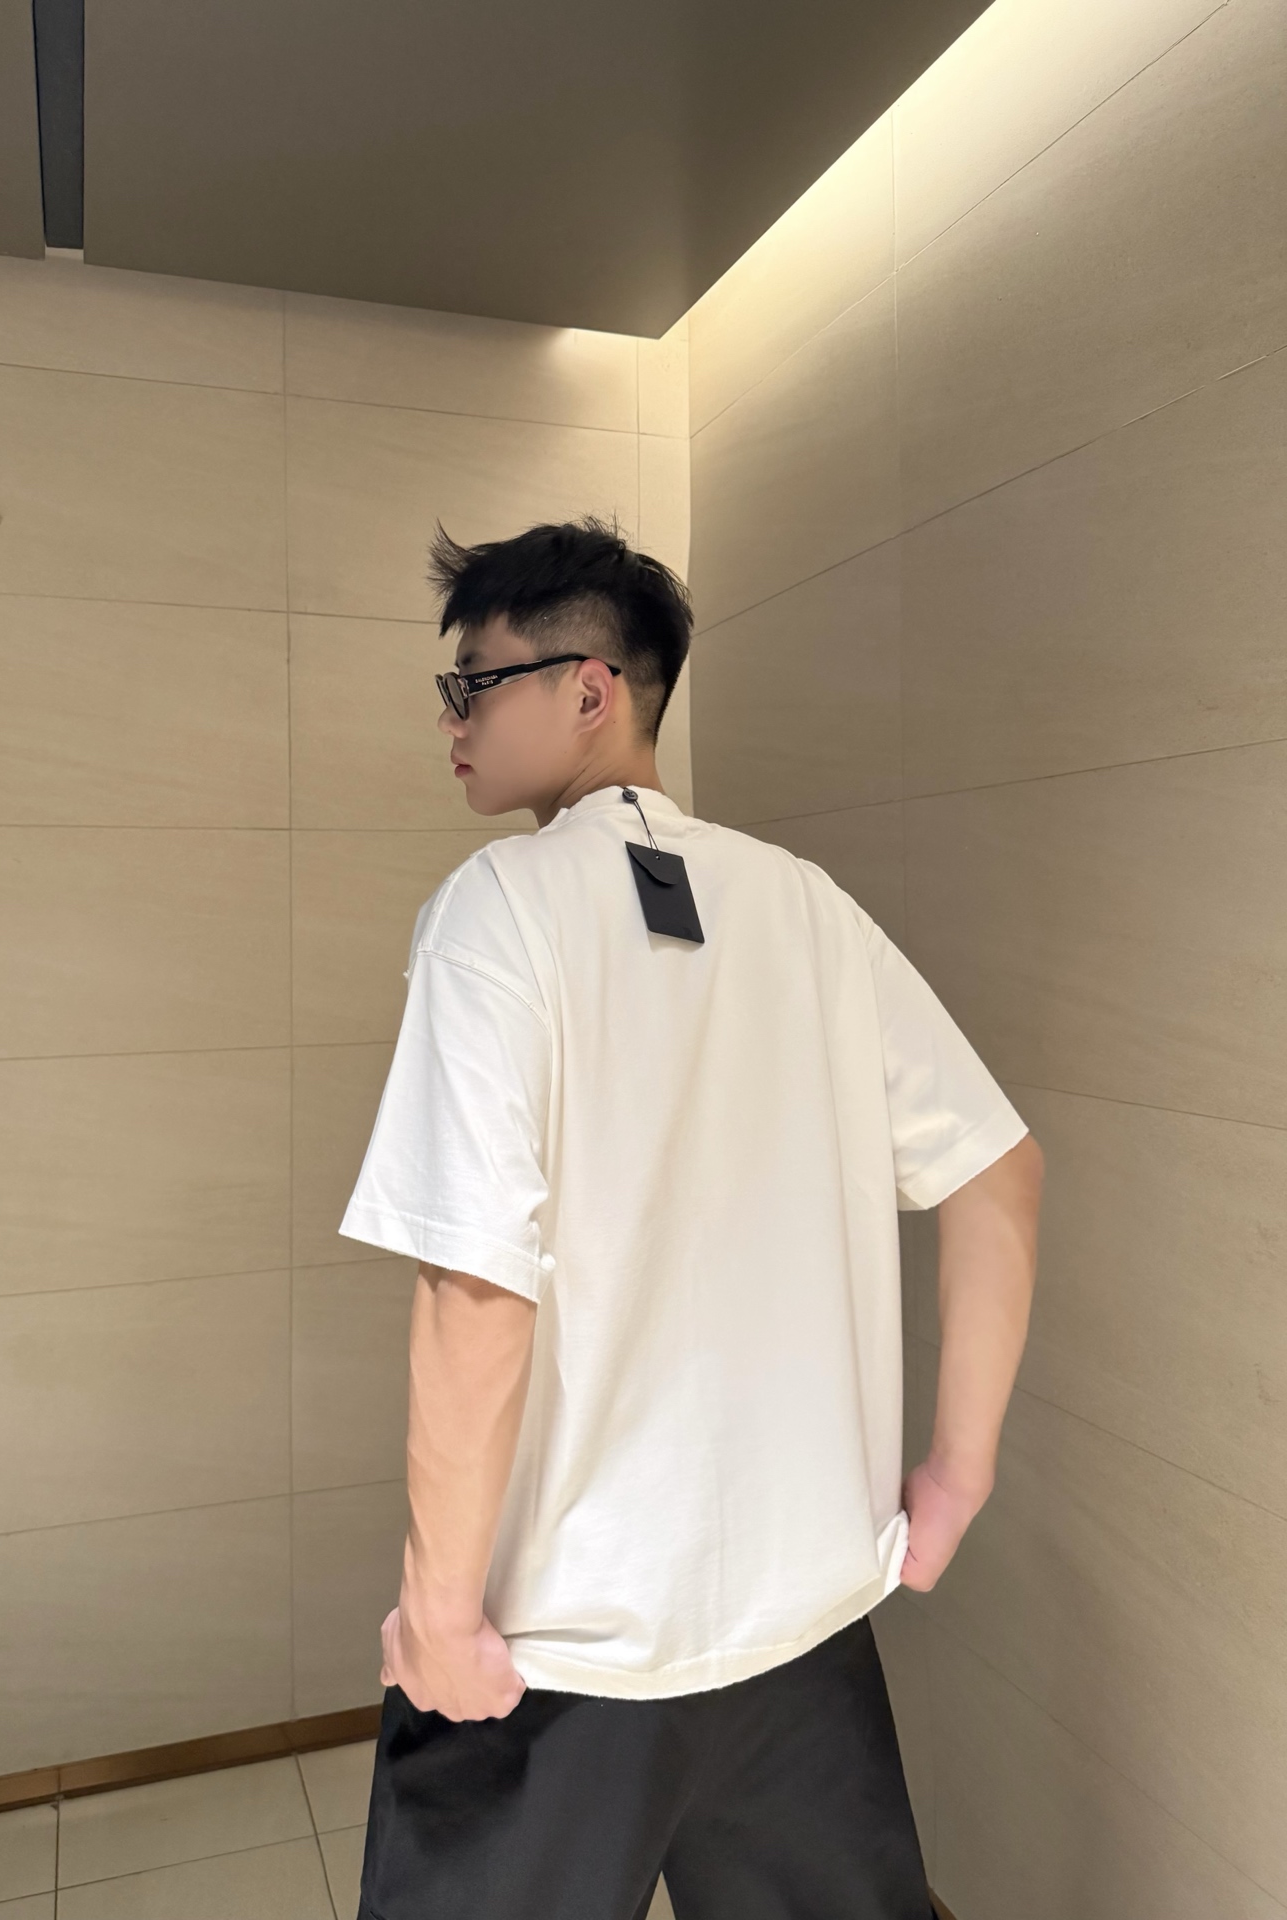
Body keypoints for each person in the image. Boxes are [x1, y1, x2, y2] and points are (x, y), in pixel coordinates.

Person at [338, 515, 1045, 1920]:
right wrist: (954, 1476)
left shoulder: (496, 913)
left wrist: (441, 1609)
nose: (450, 721)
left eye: (472, 684)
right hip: (807, 1640)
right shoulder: (811, 909)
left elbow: (477, 1286)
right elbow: (997, 1172)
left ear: (589, 689)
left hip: (555, 1658)